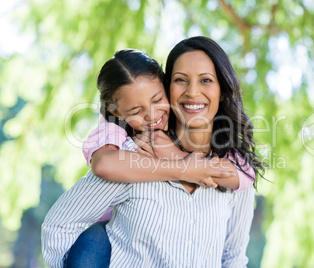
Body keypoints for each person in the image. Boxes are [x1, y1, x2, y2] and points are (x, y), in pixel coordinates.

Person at [42, 36, 265, 267]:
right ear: (170, 86)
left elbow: (233, 258)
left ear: (223, 89)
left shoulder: (234, 173)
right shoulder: (129, 155)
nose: (193, 92)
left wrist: (179, 158)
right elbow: (59, 226)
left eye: (206, 80)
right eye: (181, 80)